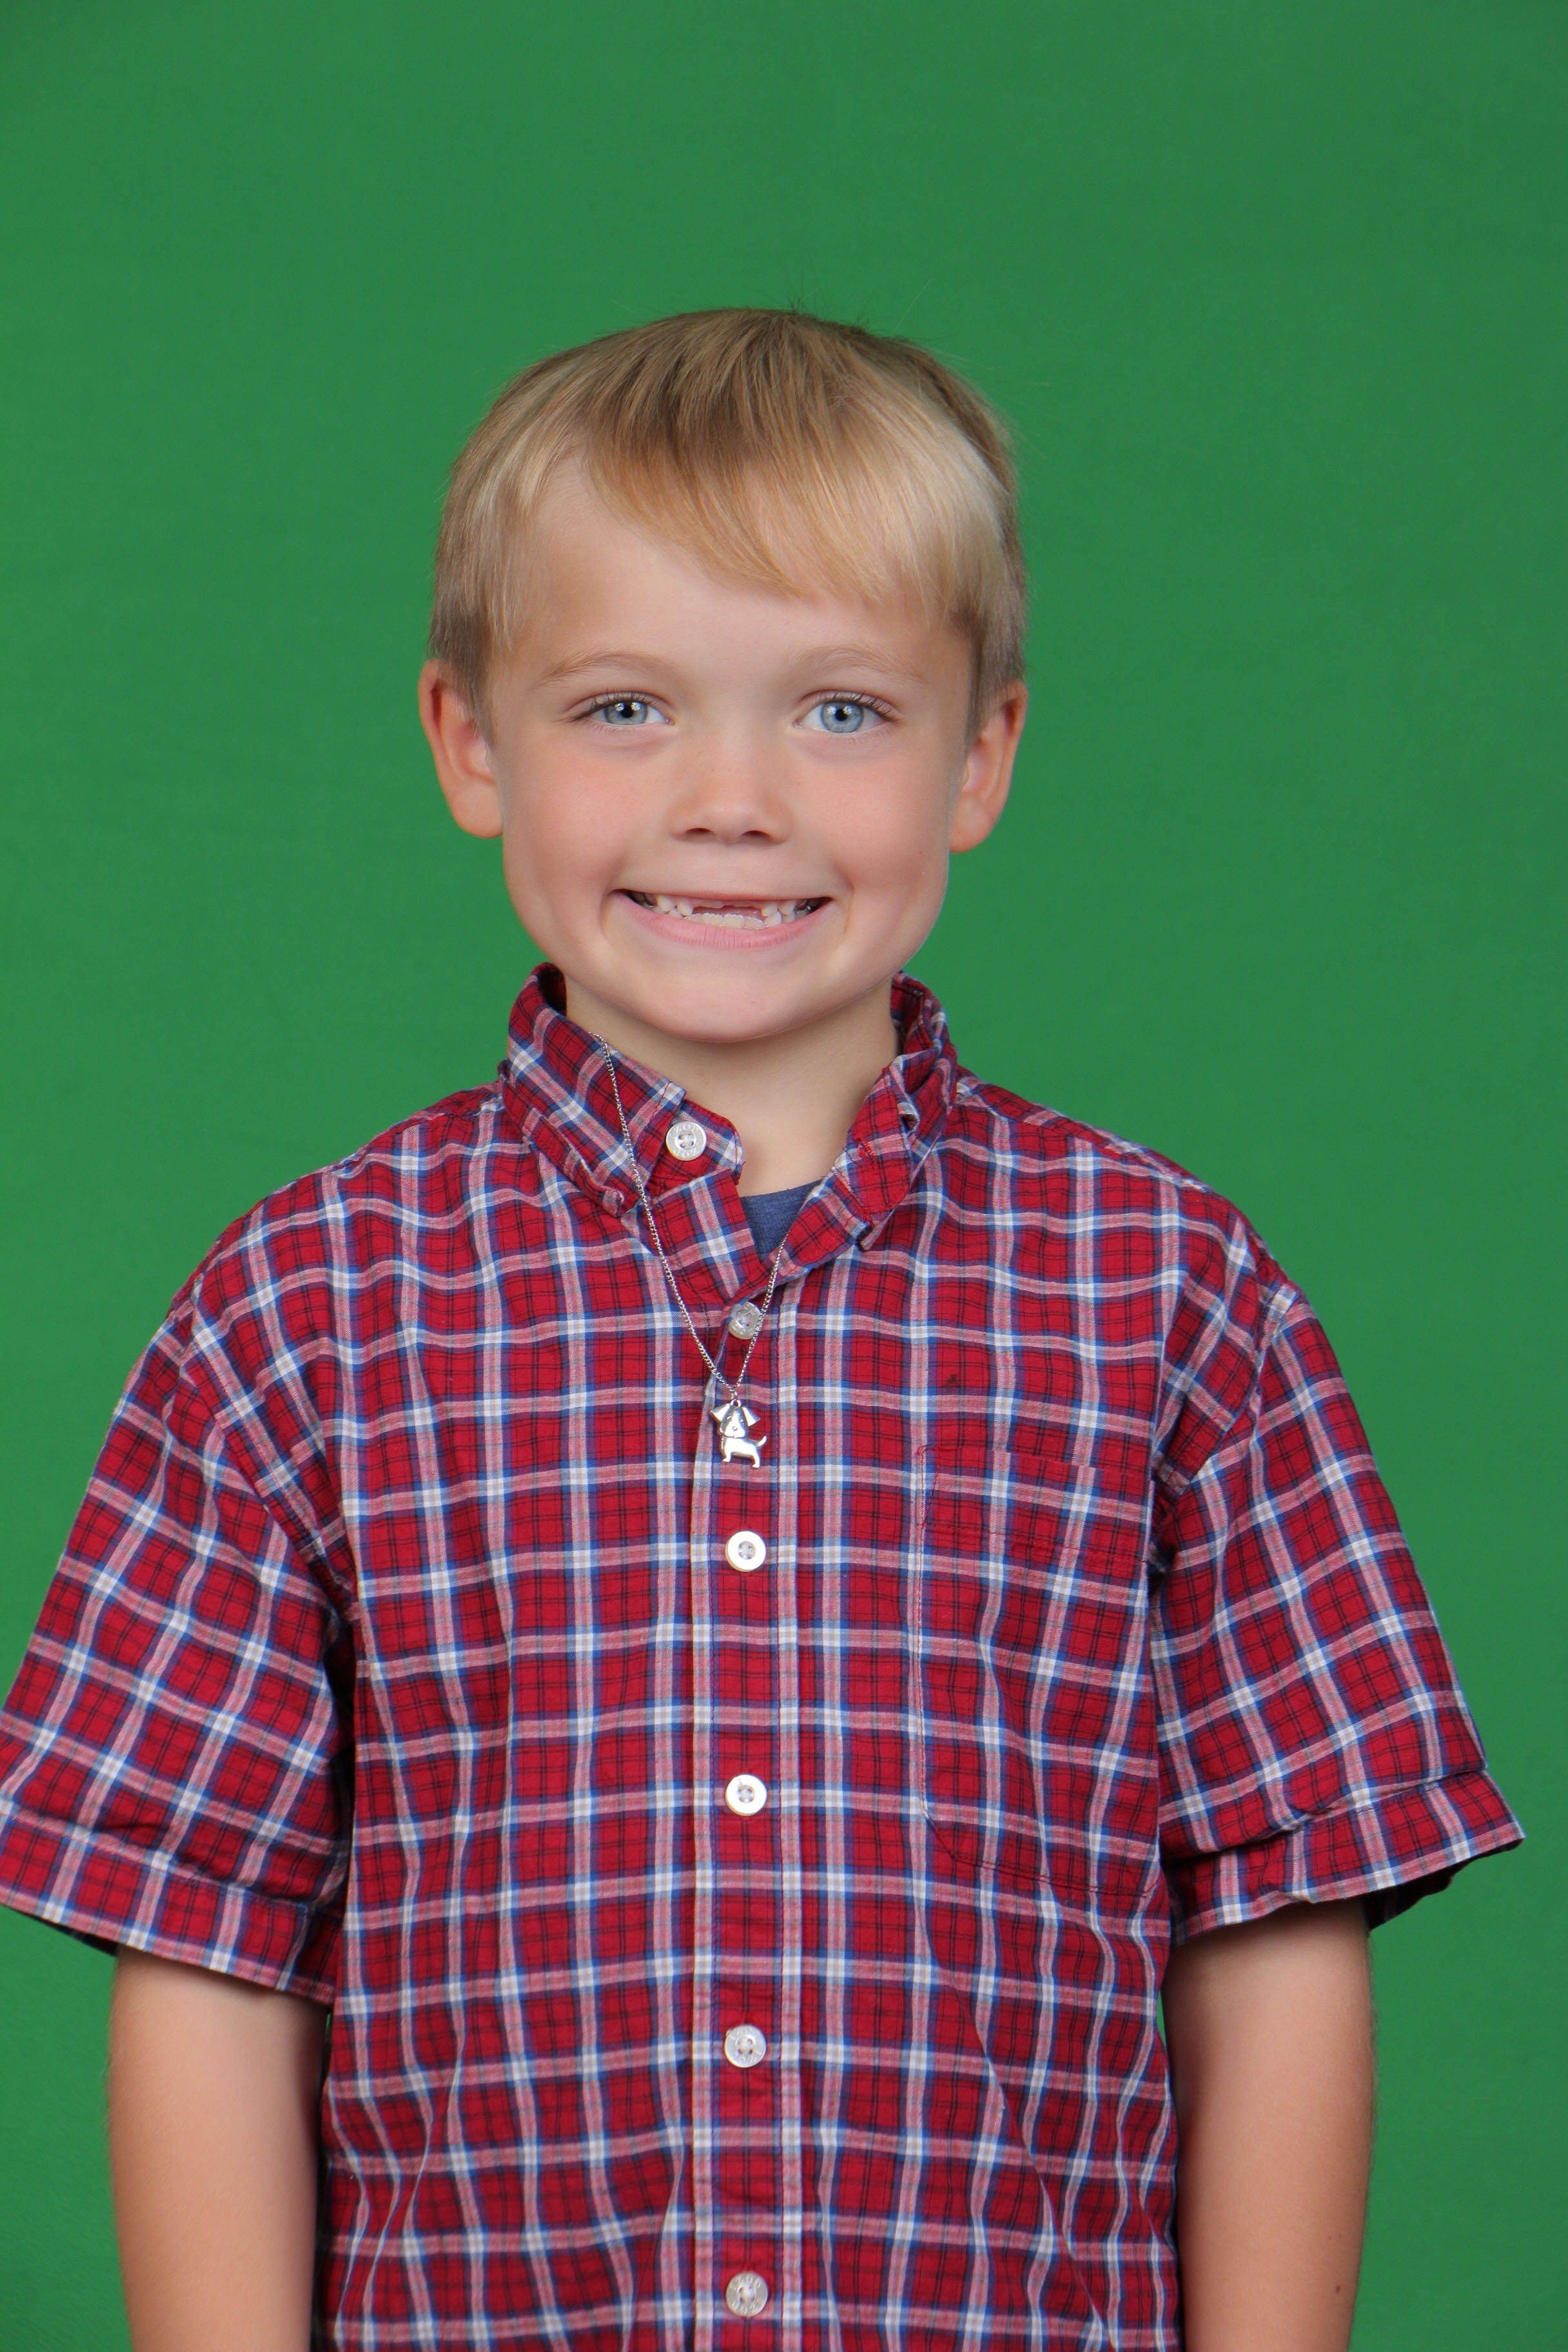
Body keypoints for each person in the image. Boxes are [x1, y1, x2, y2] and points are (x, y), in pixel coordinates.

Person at [0, 309, 1520, 2352]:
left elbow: (1278, 1919)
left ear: (982, 756)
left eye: (842, 710)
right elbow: (205, 1948)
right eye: (626, 706)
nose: (734, 798)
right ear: (469, 743)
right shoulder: (298, 1312)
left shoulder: (1173, 1295)